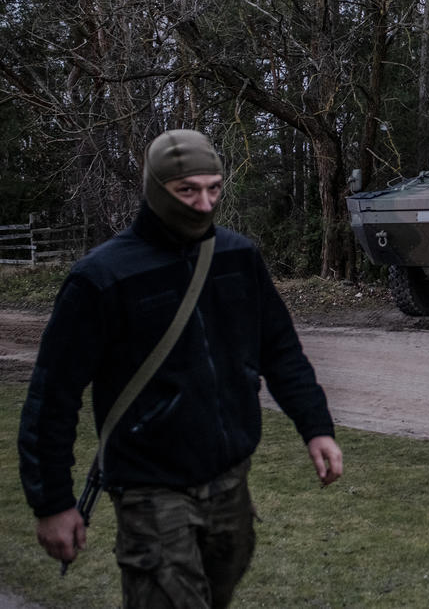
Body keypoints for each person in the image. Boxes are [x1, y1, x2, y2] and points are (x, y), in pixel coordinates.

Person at [19, 129, 343, 608]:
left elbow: (281, 351)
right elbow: (53, 397)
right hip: (150, 490)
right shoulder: (101, 279)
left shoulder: (237, 257)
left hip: (230, 482)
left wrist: (316, 428)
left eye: (214, 188)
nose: (204, 203)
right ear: (155, 189)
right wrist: (52, 503)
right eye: (187, 191)